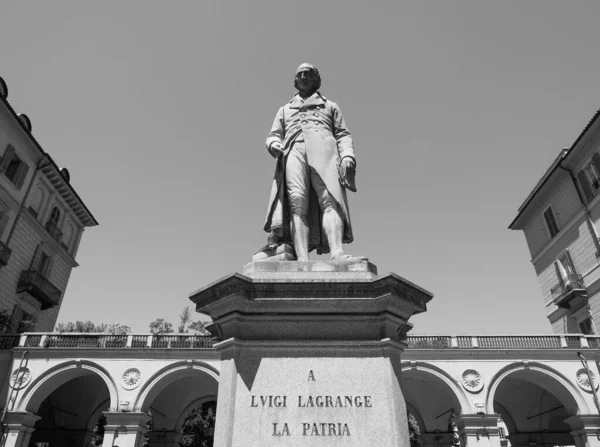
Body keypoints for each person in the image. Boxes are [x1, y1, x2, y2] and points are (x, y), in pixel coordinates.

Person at [262, 63, 365, 262]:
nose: (303, 77)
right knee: (297, 202)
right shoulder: (284, 110)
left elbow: (343, 134)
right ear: (295, 81)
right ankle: (302, 259)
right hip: (294, 151)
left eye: (308, 74)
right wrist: (274, 144)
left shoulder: (330, 106)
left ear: (316, 80)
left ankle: (337, 254)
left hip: (325, 152)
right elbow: (273, 135)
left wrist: (348, 156)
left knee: (330, 200)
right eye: (299, 74)